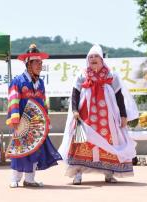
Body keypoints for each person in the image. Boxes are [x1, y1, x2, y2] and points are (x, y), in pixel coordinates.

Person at [59, 44, 139, 185]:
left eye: (96, 56)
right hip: (84, 117)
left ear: (102, 60)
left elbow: (119, 96)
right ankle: (77, 173)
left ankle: (109, 173)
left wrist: (123, 115)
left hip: (107, 119)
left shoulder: (111, 76)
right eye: (90, 57)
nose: (93, 59)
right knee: (80, 143)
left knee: (110, 142)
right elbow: (75, 94)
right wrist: (75, 111)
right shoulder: (81, 75)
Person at [6, 44, 62, 188]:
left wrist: (46, 120)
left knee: (35, 151)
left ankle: (30, 179)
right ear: (28, 64)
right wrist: (15, 119)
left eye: (41, 63)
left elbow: (43, 103)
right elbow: (13, 100)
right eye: (36, 62)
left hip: (37, 124)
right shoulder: (18, 81)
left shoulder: (41, 83)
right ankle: (15, 179)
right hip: (22, 123)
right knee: (20, 150)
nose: (40, 65)